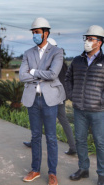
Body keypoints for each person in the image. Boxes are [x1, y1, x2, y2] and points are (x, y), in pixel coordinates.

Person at [19, 18, 65, 185]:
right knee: (36, 136)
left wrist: (33, 71)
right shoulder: (28, 53)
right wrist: (38, 73)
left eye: (37, 32)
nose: (34, 35)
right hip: (33, 99)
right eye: (33, 32)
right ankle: (35, 170)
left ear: (46, 33)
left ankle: (52, 173)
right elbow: (22, 76)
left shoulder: (56, 52)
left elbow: (53, 74)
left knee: (51, 138)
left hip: (49, 100)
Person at [23, 38, 76, 155]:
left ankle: (73, 146)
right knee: (61, 120)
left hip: (54, 96)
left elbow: (47, 77)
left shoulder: (54, 62)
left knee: (56, 120)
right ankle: (73, 146)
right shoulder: (62, 63)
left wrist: (33, 72)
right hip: (59, 96)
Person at [65, 25, 104, 185]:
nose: (87, 41)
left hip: (98, 111)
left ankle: (102, 174)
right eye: (86, 39)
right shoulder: (77, 60)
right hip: (79, 109)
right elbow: (68, 79)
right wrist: (71, 95)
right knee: (80, 139)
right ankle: (83, 169)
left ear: (99, 43)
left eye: (90, 39)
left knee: (100, 142)